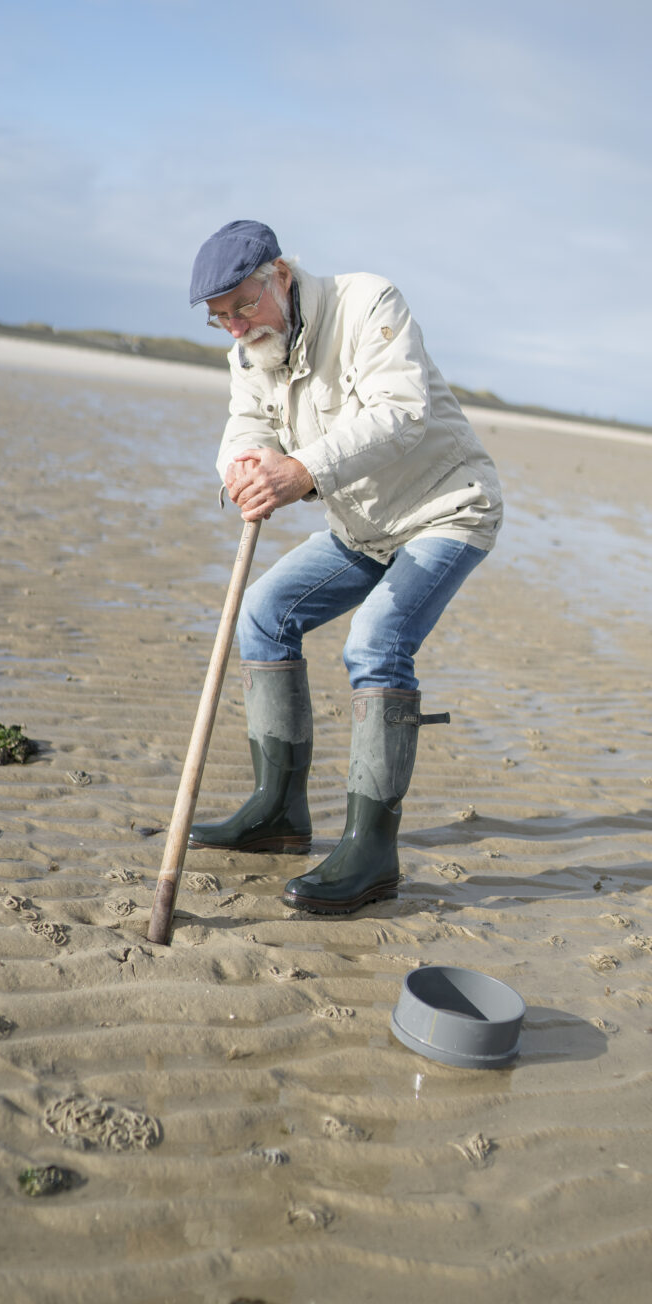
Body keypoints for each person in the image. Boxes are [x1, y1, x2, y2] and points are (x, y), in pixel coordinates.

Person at [186, 219, 502, 915]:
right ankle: (277, 815)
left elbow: (401, 413)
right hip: (361, 525)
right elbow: (247, 425)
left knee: (375, 644)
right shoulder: (248, 352)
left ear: (281, 276)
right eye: (220, 319)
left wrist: (300, 471)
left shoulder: (367, 303)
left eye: (245, 305)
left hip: (444, 513)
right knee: (264, 615)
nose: (236, 328)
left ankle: (372, 854)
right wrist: (240, 470)